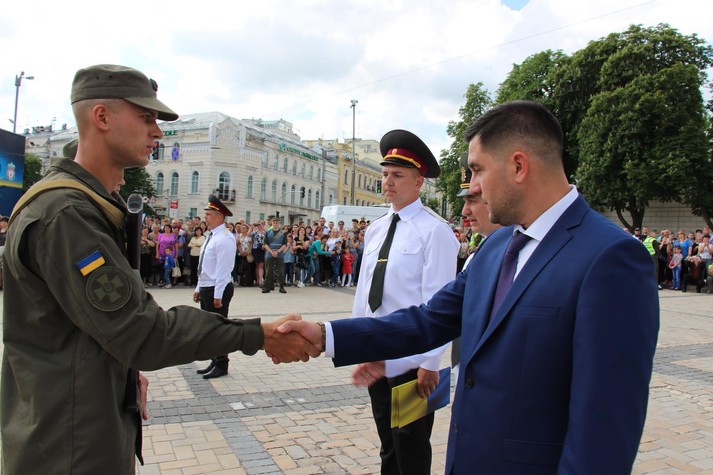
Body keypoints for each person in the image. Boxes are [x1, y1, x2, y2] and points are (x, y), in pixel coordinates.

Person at [276, 101, 659, 474]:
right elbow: (428, 320)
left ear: (519, 166)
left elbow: (603, 430)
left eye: (477, 170)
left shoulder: (610, 257)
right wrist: (325, 335)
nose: (472, 187)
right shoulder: (498, 245)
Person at [0, 64, 316, 474]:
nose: (158, 133)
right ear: (102, 117)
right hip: (68, 442)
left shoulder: (82, 205)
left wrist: (123, 371)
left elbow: (90, 326)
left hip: (79, 421)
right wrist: (259, 333)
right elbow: (141, 331)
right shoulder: (67, 214)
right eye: (146, 117)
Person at [343, 129, 458, 474]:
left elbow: (439, 302)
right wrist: (359, 342)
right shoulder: (376, 228)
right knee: (387, 442)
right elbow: (365, 291)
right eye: (384, 174)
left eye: (397, 175)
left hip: (412, 358)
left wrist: (430, 362)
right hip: (379, 352)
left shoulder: (434, 231)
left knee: (411, 444)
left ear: (419, 181)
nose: (388, 182)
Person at [193, 195, 238, 379]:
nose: (205, 217)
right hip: (207, 286)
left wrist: (218, 294)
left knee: (218, 328)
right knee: (209, 328)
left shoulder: (225, 238)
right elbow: (205, 266)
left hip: (217, 288)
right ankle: (214, 360)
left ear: (219, 217)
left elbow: (223, 269)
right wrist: (198, 287)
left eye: (208, 214)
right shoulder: (211, 236)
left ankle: (222, 364)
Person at [262, 217, 287, 294]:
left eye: (276, 223)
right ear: (272, 224)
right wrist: (271, 252)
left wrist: (278, 251)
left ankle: (281, 287)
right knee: (268, 271)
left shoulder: (283, 233)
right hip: (270, 253)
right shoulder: (268, 232)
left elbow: (285, 244)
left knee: (281, 271)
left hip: (280, 253)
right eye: (274, 223)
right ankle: (267, 287)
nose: (275, 224)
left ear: (279, 224)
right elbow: (265, 244)